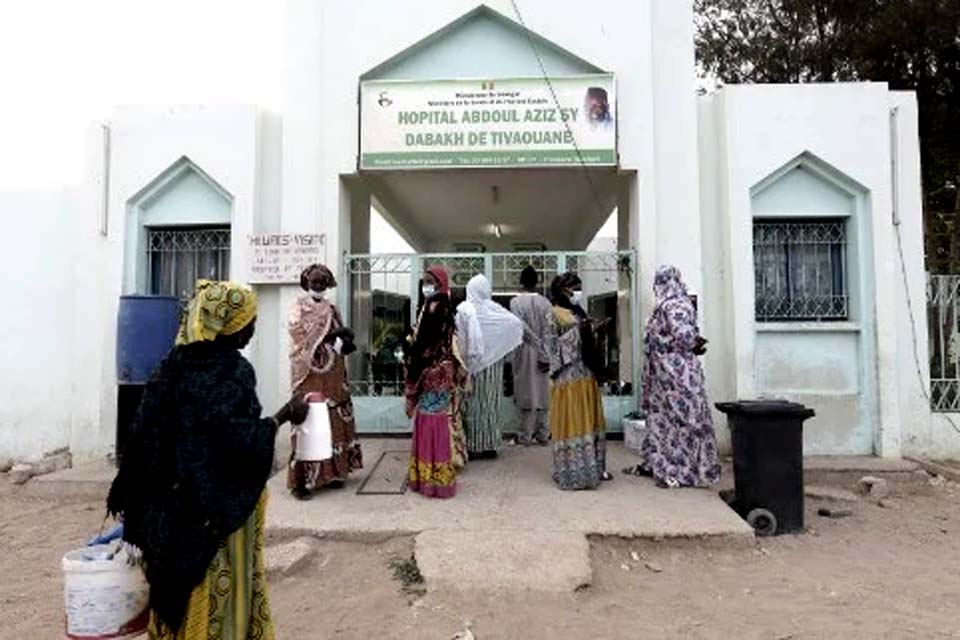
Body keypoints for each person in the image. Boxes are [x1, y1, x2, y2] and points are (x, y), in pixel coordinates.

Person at [106, 280, 309, 639]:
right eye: (249, 321)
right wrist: (282, 417)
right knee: (217, 594)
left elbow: (142, 444)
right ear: (230, 325)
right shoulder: (233, 371)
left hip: (169, 520)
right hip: (212, 521)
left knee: (175, 597)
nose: (252, 329)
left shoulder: (170, 368)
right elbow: (241, 446)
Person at [633, 265, 720, 488]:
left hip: (674, 374)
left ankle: (682, 472)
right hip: (670, 372)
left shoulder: (673, 306)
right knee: (666, 420)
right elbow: (687, 338)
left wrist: (682, 344)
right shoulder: (674, 304)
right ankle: (661, 465)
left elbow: (683, 337)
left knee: (679, 419)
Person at [287, 263, 363, 499]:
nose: (318, 287)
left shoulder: (332, 308)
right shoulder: (298, 308)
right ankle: (305, 482)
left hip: (333, 374)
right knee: (310, 420)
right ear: (307, 283)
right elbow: (299, 335)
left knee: (334, 419)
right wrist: (331, 335)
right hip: (309, 374)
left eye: (322, 283)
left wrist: (345, 335)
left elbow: (342, 336)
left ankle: (335, 473)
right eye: (314, 283)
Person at [405, 265, 468, 498]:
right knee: (434, 421)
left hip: (432, 374)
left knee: (431, 422)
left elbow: (426, 346)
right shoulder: (437, 306)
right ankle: (433, 477)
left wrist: (413, 370)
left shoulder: (436, 307)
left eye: (430, 281)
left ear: (440, 284)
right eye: (423, 281)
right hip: (439, 374)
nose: (425, 286)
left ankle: (431, 479)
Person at [547, 272, 611, 490]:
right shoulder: (553, 313)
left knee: (589, 419)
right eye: (573, 288)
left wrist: (595, 330)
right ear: (562, 290)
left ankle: (593, 469)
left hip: (586, 376)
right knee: (573, 419)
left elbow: (586, 337)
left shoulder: (578, 312)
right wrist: (582, 331)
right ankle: (573, 473)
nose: (576, 292)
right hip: (568, 378)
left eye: (578, 287)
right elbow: (552, 347)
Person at [456, 273, 524, 458]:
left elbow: (461, 339)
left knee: (472, 405)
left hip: (471, 365)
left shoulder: (464, 309)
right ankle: (490, 445)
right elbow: (515, 324)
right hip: (493, 365)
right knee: (490, 405)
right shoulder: (494, 309)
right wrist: (499, 347)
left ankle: (473, 446)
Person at [509, 265, 554, 446]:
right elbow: (550, 332)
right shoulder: (546, 303)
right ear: (538, 282)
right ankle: (543, 434)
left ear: (521, 282)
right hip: (544, 351)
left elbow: (519, 327)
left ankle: (524, 436)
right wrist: (545, 352)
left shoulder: (515, 303)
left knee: (525, 392)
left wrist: (534, 342)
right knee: (542, 393)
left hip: (524, 350)